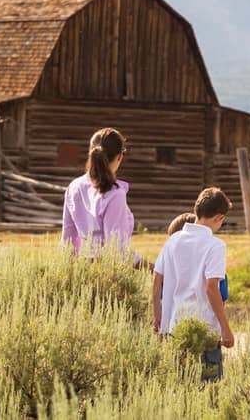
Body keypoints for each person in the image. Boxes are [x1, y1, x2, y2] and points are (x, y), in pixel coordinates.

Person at [152, 188, 235, 380]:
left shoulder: (173, 241)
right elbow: (211, 288)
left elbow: (157, 282)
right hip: (205, 329)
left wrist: (159, 319)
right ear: (219, 218)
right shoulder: (215, 246)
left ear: (196, 209)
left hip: (175, 327)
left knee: (180, 385)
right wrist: (225, 328)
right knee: (208, 389)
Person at [61, 128, 137, 257]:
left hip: (81, 267)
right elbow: (117, 250)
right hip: (106, 271)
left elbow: (68, 240)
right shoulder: (115, 194)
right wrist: (153, 268)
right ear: (120, 156)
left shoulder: (74, 186)